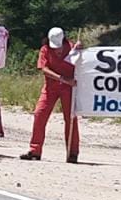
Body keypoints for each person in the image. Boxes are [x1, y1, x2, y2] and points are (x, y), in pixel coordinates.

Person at [21, 26, 81, 163]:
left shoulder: (72, 47)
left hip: (69, 88)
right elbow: (44, 69)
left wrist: (81, 50)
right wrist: (62, 78)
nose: (57, 50)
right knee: (39, 114)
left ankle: (73, 152)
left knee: (71, 119)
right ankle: (34, 150)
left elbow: (82, 61)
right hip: (51, 87)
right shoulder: (45, 50)